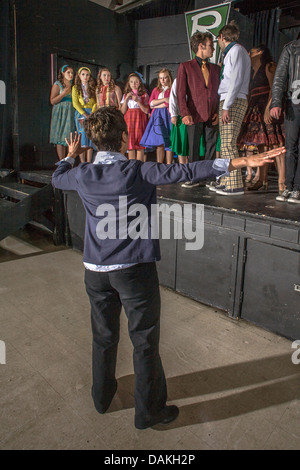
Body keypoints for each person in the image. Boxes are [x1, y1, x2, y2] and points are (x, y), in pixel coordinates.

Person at [52, 106, 284, 430]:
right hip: (133, 271)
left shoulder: (82, 173)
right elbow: (186, 172)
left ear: (93, 139)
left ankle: (101, 398)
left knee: (103, 337)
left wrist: (70, 155)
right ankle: (149, 412)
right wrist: (241, 161)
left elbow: (58, 176)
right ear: (123, 138)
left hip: (95, 272)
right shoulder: (137, 170)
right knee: (144, 341)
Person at [238, 45, 285, 193]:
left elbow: (275, 87)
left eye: (252, 52)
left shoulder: (269, 66)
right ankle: (261, 179)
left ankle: (282, 181)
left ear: (260, 52)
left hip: (267, 106)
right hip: (255, 108)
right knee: (260, 144)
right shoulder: (252, 71)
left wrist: (268, 108)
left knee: (275, 144)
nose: (249, 54)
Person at [177, 32, 220, 188]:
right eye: (210, 45)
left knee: (211, 147)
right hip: (193, 114)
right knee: (194, 148)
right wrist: (184, 113)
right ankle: (194, 177)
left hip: (212, 114)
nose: (213, 49)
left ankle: (209, 177)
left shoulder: (215, 68)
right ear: (201, 46)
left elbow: (218, 92)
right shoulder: (186, 67)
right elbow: (181, 94)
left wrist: (217, 112)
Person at [215, 23, 251, 196]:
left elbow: (235, 81)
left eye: (218, 40)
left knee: (229, 143)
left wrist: (227, 106)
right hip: (229, 99)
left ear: (222, 36)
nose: (219, 43)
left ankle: (235, 184)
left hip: (233, 100)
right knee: (225, 144)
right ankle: (227, 180)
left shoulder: (236, 51)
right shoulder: (234, 51)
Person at [270, 35, 300, 204]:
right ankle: (288, 186)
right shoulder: (291, 47)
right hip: (293, 102)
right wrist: (276, 102)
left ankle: (297, 188)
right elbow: (280, 77)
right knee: (290, 145)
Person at [140, 68, 173, 164]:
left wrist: (158, 103)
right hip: (157, 117)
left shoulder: (172, 89)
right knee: (159, 141)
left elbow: (169, 103)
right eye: (161, 78)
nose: (163, 80)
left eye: (165, 78)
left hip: (167, 115)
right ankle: (159, 164)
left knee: (168, 141)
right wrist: (163, 100)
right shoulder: (156, 90)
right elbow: (151, 103)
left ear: (169, 78)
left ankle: (169, 164)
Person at [120, 72, 149, 161]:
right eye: (131, 82)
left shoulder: (144, 95)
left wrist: (138, 101)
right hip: (129, 121)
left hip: (140, 121)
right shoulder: (125, 95)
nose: (134, 84)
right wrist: (125, 100)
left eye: (136, 82)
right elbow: (122, 111)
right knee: (130, 145)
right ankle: (132, 164)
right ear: (129, 83)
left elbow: (146, 110)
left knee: (140, 144)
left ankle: (139, 164)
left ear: (139, 83)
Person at [49, 65, 75, 160]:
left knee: (70, 136)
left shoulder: (74, 85)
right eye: (68, 72)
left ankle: (69, 160)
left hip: (71, 112)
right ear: (63, 73)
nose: (71, 74)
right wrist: (64, 93)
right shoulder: (58, 84)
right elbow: (52, 101)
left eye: (72, 72)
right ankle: (61, 161)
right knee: (61, 136)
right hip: (61, 112)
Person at [72, 67, 97, 163]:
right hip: (81, 113)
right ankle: (82, 162)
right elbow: (75, 103)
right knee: (82, 136)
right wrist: (84, 113)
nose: (85, 77)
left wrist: (92, 112)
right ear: (79, 75)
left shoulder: (92, 87)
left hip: (91, 112)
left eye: (87, 75)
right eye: (83, 74)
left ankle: (89, 161)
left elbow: (95, 101)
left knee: (90, 137)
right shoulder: (75, 88)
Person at [169, 78, 188, 165]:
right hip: (180, 115)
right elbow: (173, 97)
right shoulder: (178, 80)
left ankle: (189, 166)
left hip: (194, 116)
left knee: (189, 143)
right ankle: (182, 166)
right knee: (181, 143)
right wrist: (173, 114)